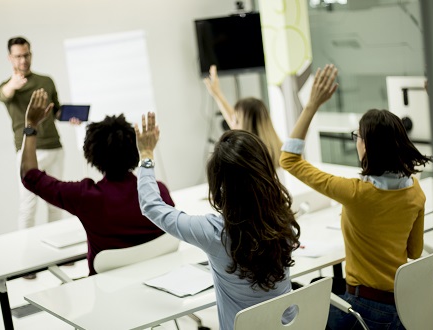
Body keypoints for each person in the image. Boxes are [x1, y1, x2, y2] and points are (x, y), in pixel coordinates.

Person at [280, 64, 433, 330]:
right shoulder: (415, 191)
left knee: (302, 300)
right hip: (402, 309)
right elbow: (414, 251)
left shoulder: (354, 193)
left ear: (366, 146)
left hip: (363, 313)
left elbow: (289, 159)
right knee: (320, 286)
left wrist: (312, 105)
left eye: (357, 137)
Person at [135, 112, 300, 330]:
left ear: (220, 184)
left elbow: (152, 206)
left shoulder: (215, 233)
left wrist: (146, 155)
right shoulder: (283, 219)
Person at [20, 89, 174, 276]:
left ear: (91, 154)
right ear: (137, 149)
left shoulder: (86, 197)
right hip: (159, 287)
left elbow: (29, 176)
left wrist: (30, 126)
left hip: (107, 295)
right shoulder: (159, 192)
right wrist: (147, 152)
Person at [0, 36, 68, 230]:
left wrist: (69, 116)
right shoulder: (7, 87)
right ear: (10, 58)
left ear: (31, 54)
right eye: (18, 56)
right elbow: (4, 94)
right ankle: (27, 254)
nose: (23, 60)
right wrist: (13, 84)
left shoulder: (46, 80)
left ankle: (58, 253)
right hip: (28, 151)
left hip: (54, 148)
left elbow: (56, 111)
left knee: (56, 203)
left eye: (26, 55)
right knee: (28, 206)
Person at [203, 65, 283, 168]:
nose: (231, 123)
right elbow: (233, 119)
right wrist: (217, 94)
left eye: (236, 121)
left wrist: (217, 94)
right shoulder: (278, 151)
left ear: (248, 128)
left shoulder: (246, 159)